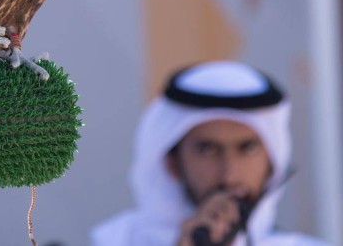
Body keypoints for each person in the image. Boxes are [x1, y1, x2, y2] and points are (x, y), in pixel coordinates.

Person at [90, 60, 328, 246]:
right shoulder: (113, 241)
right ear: (172, 163)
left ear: (272, 163)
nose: (229, 174)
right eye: (208, 150)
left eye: (248, 148)